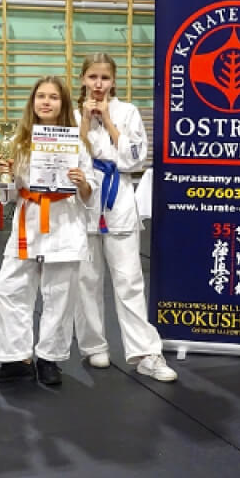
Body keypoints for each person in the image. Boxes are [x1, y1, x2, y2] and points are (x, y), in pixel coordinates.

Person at [0, 77, 98, 387]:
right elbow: (8, 196)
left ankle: (49, 358)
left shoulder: (76, 143)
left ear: (63, 104)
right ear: (32, 102)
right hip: (29, 221)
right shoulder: (18, 141)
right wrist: (5, 175)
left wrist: (82, 182)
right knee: (8, 289)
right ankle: (16, 359)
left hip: (64, 222)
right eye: (41, 96)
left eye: (53, 97)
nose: (46, 102)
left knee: (59, 295)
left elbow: (90, 193)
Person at [73, 53, 178, 382]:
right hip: (82, 200)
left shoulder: (127, 112)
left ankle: (146, 353)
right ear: (83, 79)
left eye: (104, 77)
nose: (98, 84)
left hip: (118, 200)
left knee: (129, 281)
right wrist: (86, 121)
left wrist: (108, 121)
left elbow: (135, 159)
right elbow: (68, 156)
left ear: (114, 81)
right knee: (86, 280)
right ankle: (93, 345)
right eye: (92, 77)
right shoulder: (72, 114)